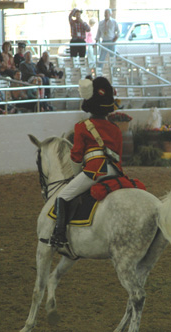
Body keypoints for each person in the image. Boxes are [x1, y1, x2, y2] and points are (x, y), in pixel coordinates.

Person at [49, 76, 123, 248]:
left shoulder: (82, 127)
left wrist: (76, 176)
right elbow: (119, 156)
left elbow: (75, 156)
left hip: (95, 171)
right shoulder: (115, 129)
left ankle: (59, 236)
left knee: (62, 196)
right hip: (115, 171)